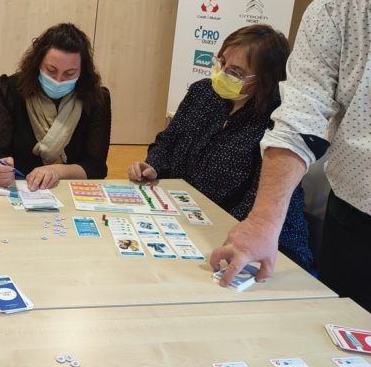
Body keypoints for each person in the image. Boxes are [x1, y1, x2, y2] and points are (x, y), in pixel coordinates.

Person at [211, 0, 371, 310]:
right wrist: (264, 222)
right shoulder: (337, 11)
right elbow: (302, 114)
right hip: (356, 212)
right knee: (346, 332)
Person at [129, 25, 312, 270]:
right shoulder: (202, 93)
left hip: (259, 242)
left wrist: (201, 230)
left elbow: (253, 204)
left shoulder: (279, 120)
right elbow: (168, 140)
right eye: (221, 63)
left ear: (266, 80)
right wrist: (153, 166)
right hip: (190, 218)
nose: (222, 74)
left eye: (235, 72)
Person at [0, 23, 111, 191]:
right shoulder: (10, 91)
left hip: (68, 190)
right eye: (51, 70)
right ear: (38, 63)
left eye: (70, 74)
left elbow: (95, 167)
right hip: (18, 189)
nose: (59, 80)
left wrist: (56, 171)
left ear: (82, 72)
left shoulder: (97, 100)